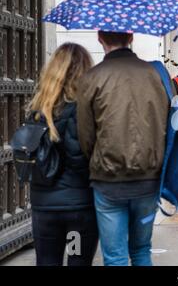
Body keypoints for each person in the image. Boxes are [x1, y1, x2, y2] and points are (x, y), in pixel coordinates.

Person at [77, 31, 169, 266]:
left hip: (108, 179)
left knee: (115, 256)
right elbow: (166, 123)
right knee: (141, 250)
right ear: (131, 37)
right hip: (148, 176)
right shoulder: (154, 73)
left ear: (99, 38)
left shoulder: (93, 76)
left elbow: (85, 135)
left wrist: (97, 160)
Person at [29, 43, 98, 266]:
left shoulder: (37, 110)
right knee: (77, 260)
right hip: (78, 209)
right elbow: (82, 158)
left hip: (45, 209)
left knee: (47, 261)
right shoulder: (85, 108)